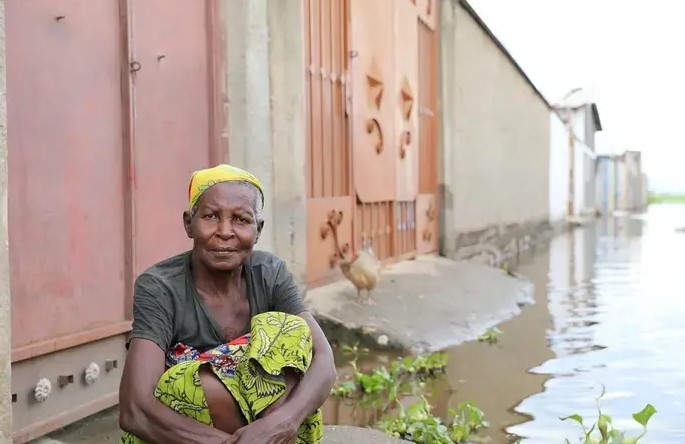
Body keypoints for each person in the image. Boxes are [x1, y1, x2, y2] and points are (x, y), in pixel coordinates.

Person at [118, 164, 337, 444]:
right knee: (191, 380)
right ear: (189, 223)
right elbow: (135, 409)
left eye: (241, 219)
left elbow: (324, 360)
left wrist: (281, 424)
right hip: (183, 434)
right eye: (210, 216)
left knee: (289, 328)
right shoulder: (160, 286)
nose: (224, 231)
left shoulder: (270, 273)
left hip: (268, 426)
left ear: (258, 230)